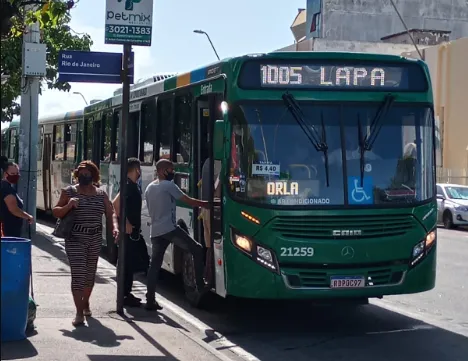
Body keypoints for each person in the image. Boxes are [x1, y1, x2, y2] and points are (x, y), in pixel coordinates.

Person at [53, 160, 119, 327]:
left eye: (88, 173)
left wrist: (115, 229)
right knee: (79, 275)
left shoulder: (101, 194)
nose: (84, 176)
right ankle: (79, 312)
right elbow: (56, 211)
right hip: (75, 238)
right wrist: (69, 205)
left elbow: (110, 213)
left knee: (90, 276)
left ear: (94, 175)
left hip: (94, 238)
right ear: (77, 175)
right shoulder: (69, 192)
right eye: (81, 173)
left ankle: (85, 302)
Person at [145, 159, 210, 311]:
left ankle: (149, 300)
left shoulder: (149, 187)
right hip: (169, 229)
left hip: (155, 231)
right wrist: (206, 204)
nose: (172, 173)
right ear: (161, 171)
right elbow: (188, 200)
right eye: (170, 170)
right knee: (197, 249)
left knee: (154, 266)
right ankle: (200, 284)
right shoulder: (168, 185)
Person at [112, 157, 144, 307]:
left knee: (130, 263)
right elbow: (115, 204)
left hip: (132, 231)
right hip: (128, 231)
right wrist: (125, 222)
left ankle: (126, 293)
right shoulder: (128, 186)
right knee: (127, 262)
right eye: (139, 168)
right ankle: (124, 294)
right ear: (136, 169)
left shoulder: (131, 185)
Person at [199, 157, 221, 284]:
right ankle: (210, 275)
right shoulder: (219, 164)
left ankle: (208, 275)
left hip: (206, 209)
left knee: (209, 246)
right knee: (212, 245)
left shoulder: (208, 163)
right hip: (212, 209)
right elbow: (217, 192)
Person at [0, 156, 34, 237]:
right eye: (12, 174)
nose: (15, 176)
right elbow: (13, 209)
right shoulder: (6, 188)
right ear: (5, 174)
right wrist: (28, 216)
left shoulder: (6, 186)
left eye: (17, 173)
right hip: (8, 231)